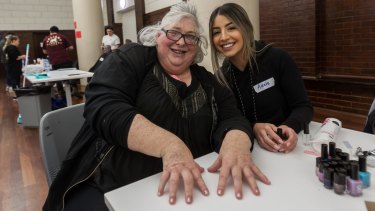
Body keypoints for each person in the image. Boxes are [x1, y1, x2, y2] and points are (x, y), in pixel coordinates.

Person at [43, 3, 270, 210]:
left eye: (190, 36)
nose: (181, 41)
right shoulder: (132, 58)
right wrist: (169, 145)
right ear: (157, 35)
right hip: (114, 187)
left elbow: (233, 117)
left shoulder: (206, 80)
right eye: (173, 33)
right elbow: (104, 106)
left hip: (190, 192)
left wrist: (236, 144)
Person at [209, 3, 313, 153]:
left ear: (245, 28)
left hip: (286, 147)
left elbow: (303, 107)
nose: (224, 37)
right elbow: (225, 121)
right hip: (250, 151)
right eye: (216, 32)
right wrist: (254, 127)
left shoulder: (278, 59)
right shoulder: (220, 79)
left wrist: (289, 126)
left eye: (231, 28)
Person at [42, 26, 81, 98]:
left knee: (57, 77)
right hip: (64, 60)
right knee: (70, 74)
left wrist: (52, 51)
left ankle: (61, 92)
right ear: (58, 31)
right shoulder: (62, 37)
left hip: (53, 61)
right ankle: (74, 89)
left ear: (50, 32)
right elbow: (71, 48)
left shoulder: (46, 39)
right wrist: (64, 50)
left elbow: (44, 52)